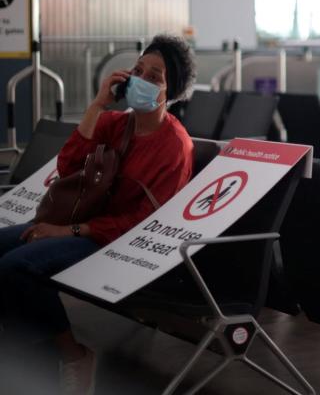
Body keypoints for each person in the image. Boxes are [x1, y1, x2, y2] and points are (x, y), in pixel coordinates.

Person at [0, 35, 196, 395]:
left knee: (15, 266)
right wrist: (96, 106)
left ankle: (72, 355)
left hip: (115, 240)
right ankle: (27, 356)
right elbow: (68, 166)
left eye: (155, 77)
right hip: (82, 226)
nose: (141, 80)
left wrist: (71, 230)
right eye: (138, 71)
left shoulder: (174, 146)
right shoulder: (116, 123)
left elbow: (145, 223)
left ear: (174, 90)